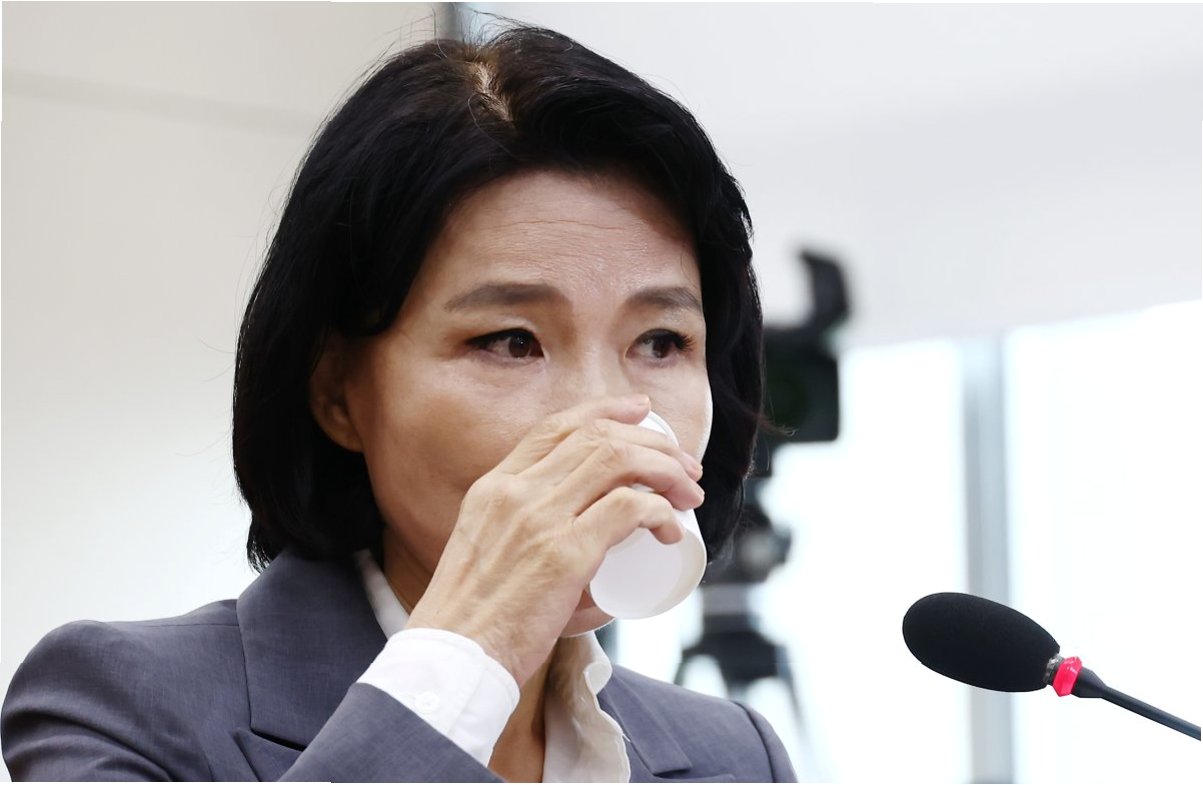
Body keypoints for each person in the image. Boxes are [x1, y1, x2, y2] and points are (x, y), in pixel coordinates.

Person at [2, 23, 793, 782]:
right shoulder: (119, 705)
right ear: (337, 393)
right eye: (511, 340)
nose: (605, 415)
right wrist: (475, 645)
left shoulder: (733, 753)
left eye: (660, 341)